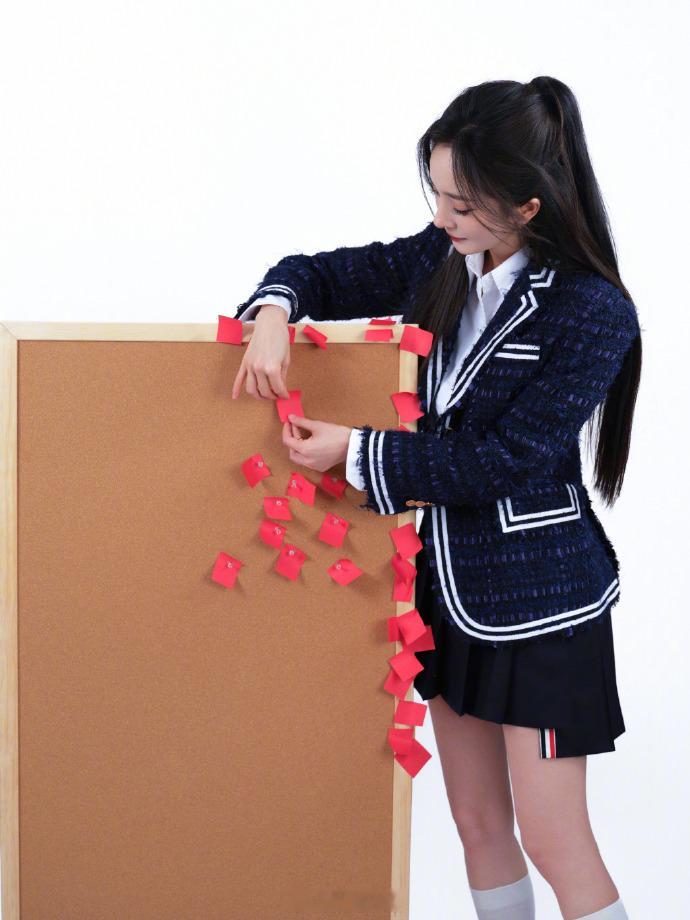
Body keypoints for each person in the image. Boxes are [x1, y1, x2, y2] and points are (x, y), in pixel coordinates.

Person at [231, 76, 642, 920]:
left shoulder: (593, 312)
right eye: (438, 195)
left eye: (462, 203)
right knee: (477, 824)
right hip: (450, 597)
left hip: (544, 607)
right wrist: (273, 311)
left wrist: (357, 451)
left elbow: (504, 461)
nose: (443, 218)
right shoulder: (446, 257)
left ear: (527, 204)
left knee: (556, 840)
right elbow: (324, 274)